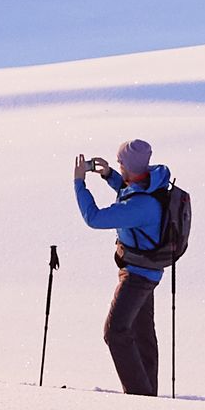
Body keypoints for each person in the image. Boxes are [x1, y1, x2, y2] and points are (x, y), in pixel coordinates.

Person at [72, 138, 181, 396]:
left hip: (137, 277)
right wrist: (109, 175)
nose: (118, 165)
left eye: (120, 162)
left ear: (130, 166)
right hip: (148, 271)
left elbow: (94, 218)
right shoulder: (151, 184)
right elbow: (130, 190)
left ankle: (139, 397)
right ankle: (148, 395)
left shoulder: (141, 206)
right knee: (142, 334)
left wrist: (79, 183)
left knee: (115, 332)